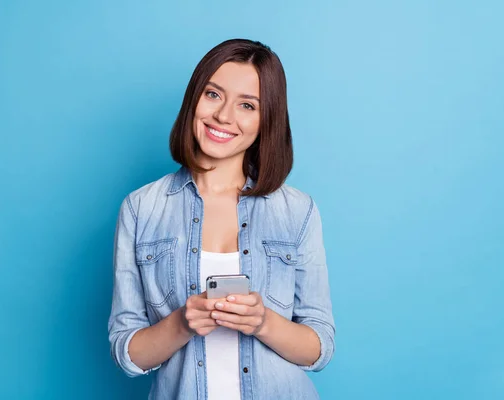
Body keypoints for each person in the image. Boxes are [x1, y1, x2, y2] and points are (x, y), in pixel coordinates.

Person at [108, 38, 335, 400]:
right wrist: (182, 323)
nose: (224, 116)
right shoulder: (141, 208)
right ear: (194, 98)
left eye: (247, 105)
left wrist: (263, 322)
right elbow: (127, 351)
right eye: (213, 95)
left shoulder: (297, 211)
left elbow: (319, 345)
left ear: (266, 121)